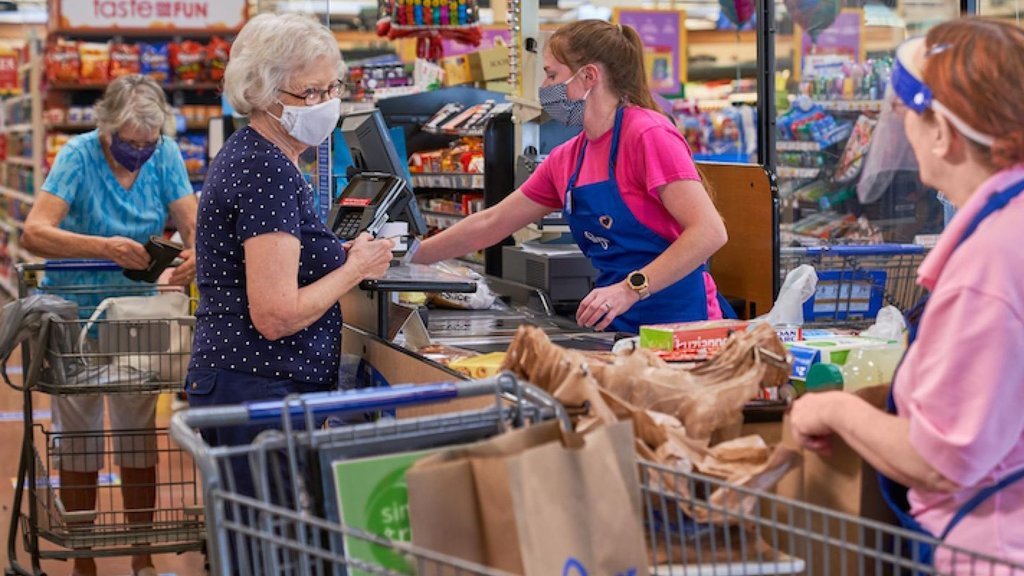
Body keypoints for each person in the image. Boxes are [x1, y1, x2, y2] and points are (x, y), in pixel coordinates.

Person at [789, 18, 1024, 571]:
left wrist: (835, 409)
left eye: (907, 119)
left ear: (942, 131)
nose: (905, 134)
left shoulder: (990, 262)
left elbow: (942, 460)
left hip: (986, 550)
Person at [410, 19, 729, 333]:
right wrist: (409, 257)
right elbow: (490, 223)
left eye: (551, 75)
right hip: (616, 327)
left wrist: (629, 290)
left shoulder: (649, 134)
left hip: (684, 324)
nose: (545, 88)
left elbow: (710, 232)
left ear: (589, 76)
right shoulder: (568, 158)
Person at [185, 13, 393, 455]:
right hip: (261, 388)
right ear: (263, 94)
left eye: (332, 88)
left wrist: (335, 252)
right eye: (310, 92)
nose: (325, 103)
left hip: (253, 384)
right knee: (270, 523)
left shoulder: (259, 155)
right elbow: (275, 315)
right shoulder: (265, 168)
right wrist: (355, 267)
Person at [20, 74, 198, 576]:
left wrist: (195, 257)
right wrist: (103, 247)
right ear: (105, 130)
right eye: (128, 143)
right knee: (78, 439)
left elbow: (193, 222)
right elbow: (35, 230)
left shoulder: (164, 155)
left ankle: (142, 554)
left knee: (138, 435)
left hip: (136, 314)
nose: (138, 152)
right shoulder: (77, 155)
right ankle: (84, 558)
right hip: (74, 314)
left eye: (147, 143)